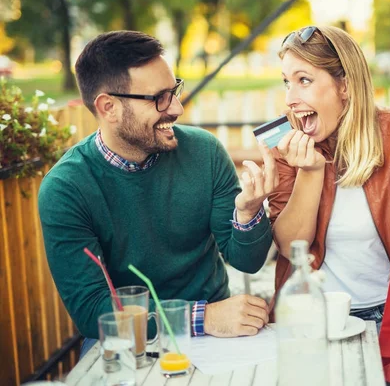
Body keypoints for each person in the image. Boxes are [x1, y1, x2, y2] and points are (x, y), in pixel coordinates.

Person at [38, 31, 277, 356]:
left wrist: (248, 214)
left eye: (174, 90)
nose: (176, 107)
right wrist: (201, 317)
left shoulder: (204, 151)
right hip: (130, 341)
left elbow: (247, 262)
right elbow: (92, 312)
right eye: (159, 97)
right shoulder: (66, 189)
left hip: (219, 333)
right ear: (108, 107)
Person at [268, 26, 390, 330]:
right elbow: (292, 249)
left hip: (389, 315)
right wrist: (310, 172)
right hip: (311, 315)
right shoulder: (287, 142)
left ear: (345, 85)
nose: (290, 98)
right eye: (286, 83)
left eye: (304, 80)